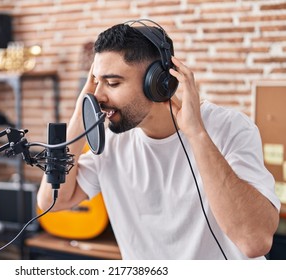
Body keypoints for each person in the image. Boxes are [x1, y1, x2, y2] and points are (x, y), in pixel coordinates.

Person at [37, 19, 280, 260]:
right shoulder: (111, 140)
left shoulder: (230, 128)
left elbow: (255, 241)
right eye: (97, 82)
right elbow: (51, 201)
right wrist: (81, 114)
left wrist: (197, 134)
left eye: (112, 83)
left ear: (157, 82)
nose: (98, 95)